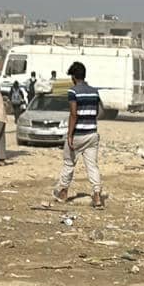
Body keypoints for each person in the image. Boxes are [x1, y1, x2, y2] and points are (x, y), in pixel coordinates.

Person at [54, 60, 104, 207]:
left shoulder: (73, 91)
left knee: (69, 163)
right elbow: (96, 112)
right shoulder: (94, 91)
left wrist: (69, 135)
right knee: (92, 166)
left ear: (74, 77)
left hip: (78, 134)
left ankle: (63, 193)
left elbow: (73, 114)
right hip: (92, 134)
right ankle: (97, 196)